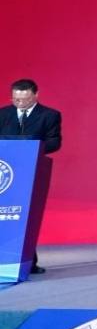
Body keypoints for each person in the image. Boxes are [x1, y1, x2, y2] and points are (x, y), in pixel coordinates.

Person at [2, 78, 62, 276]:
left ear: (35, 95)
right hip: (5, 172)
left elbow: (54, 142)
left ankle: (28, 262)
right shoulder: (3, 114)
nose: (19, 103)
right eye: (16, 99)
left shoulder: (49, 115)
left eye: (24, 99)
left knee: (26, 215)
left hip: (30, 172)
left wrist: (32, 148)